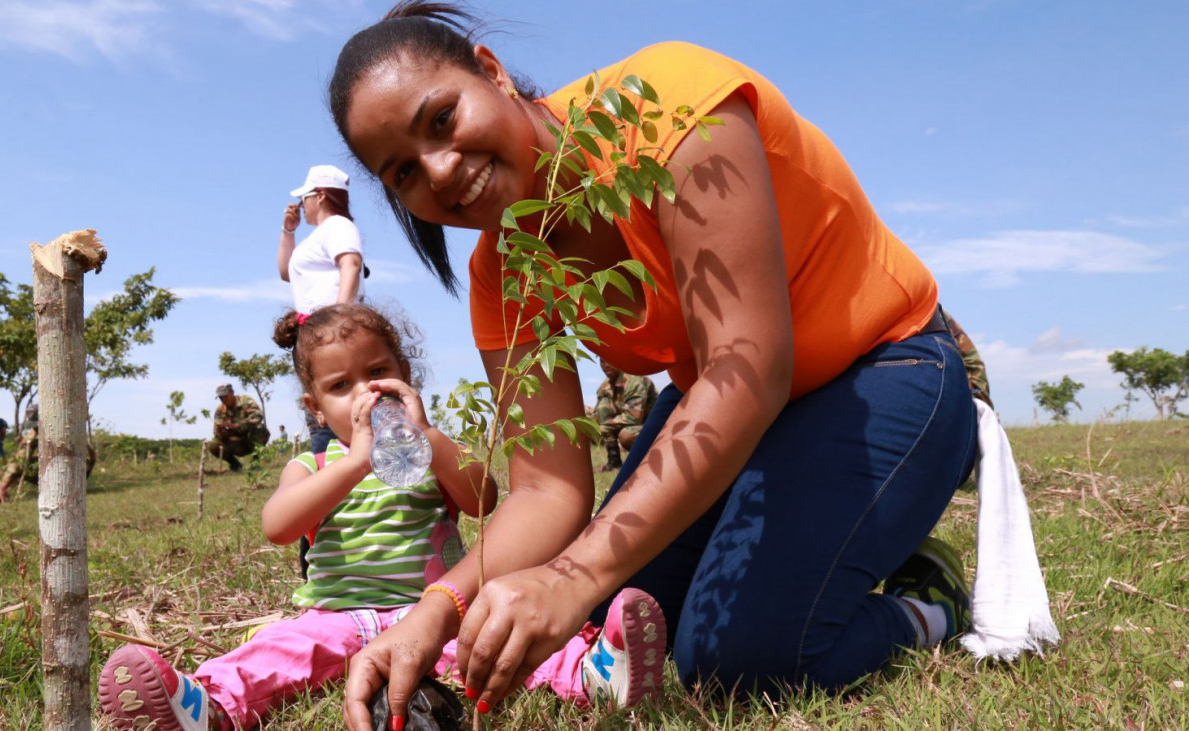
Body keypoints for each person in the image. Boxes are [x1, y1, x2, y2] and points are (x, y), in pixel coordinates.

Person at [326, 4, 982, 726]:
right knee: (610, 611)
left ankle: (928, 602)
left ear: (492, 71)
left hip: (885, 368)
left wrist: (570, 575)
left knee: (742, 657)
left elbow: (747, 368)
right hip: (744, 418)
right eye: (404, 172)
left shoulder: (667, 107)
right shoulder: (503, 272)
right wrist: (435, 610)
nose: (441, 171)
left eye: (442, 120)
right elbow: (547, 490)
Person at [97, 304, 668, 730]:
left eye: (377, 372)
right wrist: (353, 463)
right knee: (277, 651)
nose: (364, 392)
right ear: (316, 408)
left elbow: (484, 498)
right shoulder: (315, 463)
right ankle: (207, 705)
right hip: (336, 616)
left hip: (431, 614)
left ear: (404, 378)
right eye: (340, 386)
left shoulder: (425, 452)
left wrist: (430, 439)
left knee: (492, 638)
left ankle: (594, 673)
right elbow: (278, 525)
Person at [279, 164, 368, 459]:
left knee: (333, 406)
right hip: (314, 333)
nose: (302, 205)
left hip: (332, 332)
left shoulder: (339, 226)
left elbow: (351, 265)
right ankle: (330, 471)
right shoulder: (315, 237)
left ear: (319, 196)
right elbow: (285, 272)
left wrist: (339, 318)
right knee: (320, 409)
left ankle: (338, 474)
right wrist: (288, 231)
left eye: (304, 197)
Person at [0, 402, 97, 503]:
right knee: (15, 463)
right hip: (55, 468)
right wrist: (2, 487)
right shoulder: (35, 433)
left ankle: (67, 486)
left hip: (75, 469)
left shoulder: (67, 428)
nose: (35, 428)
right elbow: (18, 461)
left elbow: (88, 458)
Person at [593, 358, 658, 473]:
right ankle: (614, 462)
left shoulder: (634, 380)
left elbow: (633, 417)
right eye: (602, 361)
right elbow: (596, 415)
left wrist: (605, 426)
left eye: (609, 360)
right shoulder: (604, 387)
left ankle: (650, 461)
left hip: (656, 426)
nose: (606, 365)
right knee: (603, 407)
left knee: (626, 435)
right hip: (634, 425)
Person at [205, 384, 270, 472]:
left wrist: (239, 425)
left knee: (261, 429)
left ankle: (255, 462)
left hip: (250, 440)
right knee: (212, 445)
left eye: (225, 396)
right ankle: (235, 464)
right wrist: (222, 433)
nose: (223, 400)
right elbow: (216, 432)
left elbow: (258, 416)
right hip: (233, 444)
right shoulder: (220, 411)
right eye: (221, 398)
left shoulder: (246, 400)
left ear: (232, 393)